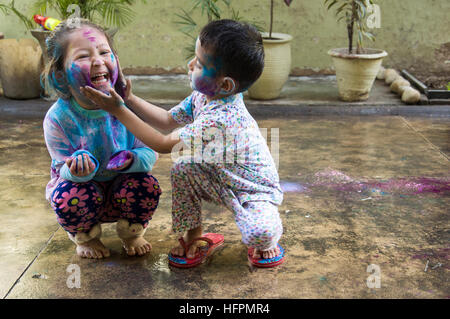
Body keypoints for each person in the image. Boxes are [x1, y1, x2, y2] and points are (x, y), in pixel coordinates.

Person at [81, 19, 284, 268]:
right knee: (183, 167)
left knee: (258, 234)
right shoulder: (204, 95)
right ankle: (193, 237)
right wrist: (129, 98)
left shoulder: (221, 118)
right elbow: (167, 121)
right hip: (220, 176)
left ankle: (268, 235)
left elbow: (164, 143)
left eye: (199, 63)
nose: (190, 65)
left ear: (226, 84)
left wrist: (118, 110)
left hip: (252, 190)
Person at [43, 19, 162, 259]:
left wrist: (133, 159)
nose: (98, 61)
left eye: (104, 52)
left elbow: (151, 151)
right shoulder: (58, 118)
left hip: (123, 190)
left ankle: (132, 233)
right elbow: (60, 168)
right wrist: (76, 169)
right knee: (68, 195)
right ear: (61, 75)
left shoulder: (127, 106)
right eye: (83, 56)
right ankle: (86, 237)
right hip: (85, 194)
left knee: (147, 185)